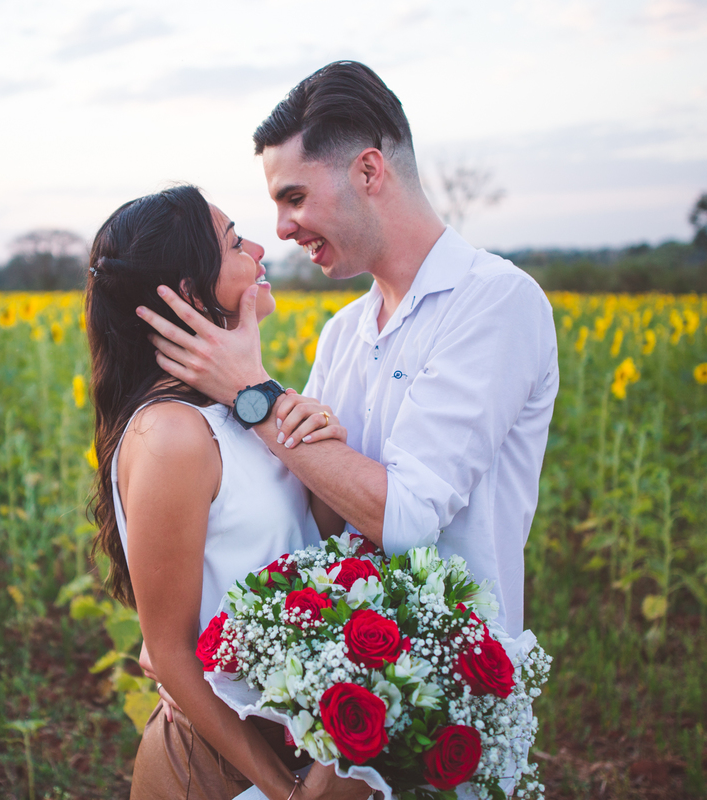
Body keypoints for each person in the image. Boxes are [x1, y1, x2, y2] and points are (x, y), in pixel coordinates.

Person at [137, 61, 559, 640]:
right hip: (341, 689)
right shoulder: (343, 330)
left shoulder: (495, 303)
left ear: (367, 171)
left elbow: (408, 519)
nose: (282, 229)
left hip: (457, 690)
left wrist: (250, 393)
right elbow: (310, 509)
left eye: (296, 197)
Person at [86, 185, 371, 800]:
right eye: (235, 241)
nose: (261, 246)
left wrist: (326, 450)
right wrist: (286, 792)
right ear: (191, 292)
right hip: (218, 771)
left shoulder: (243, 408)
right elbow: (169, 654)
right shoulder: (172, 435)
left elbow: (306, 546)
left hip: (301, 754)